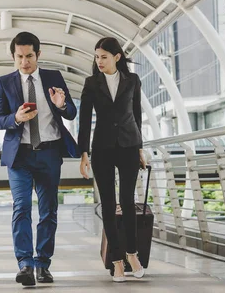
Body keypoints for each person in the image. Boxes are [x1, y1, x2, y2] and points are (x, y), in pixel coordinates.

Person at [0, 31, 79, 286]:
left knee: (48, 210)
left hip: (50, 153)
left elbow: (71, 113)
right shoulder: (5, 82)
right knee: (21, 208)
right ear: (13, 56)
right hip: (20, 155)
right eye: (19, 56)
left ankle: (43, 264)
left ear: (38, 55)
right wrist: (16, 118)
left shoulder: (54, 78)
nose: (24, 61)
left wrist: (62, 105)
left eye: (29, 55)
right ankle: (25, 265)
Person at [78, 37, 146, 283]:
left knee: (128, 201)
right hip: (103, 148)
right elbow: (84, 119)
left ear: (117, 57)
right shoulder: (91, 83)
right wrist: (83, 153)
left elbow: (136, 114)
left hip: (128, 145)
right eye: (97, 57)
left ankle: (132, 254)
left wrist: (140, 148)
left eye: (104, 57)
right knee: (108, 204)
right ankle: (116, 261)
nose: (99, 61)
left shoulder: (132, 80)